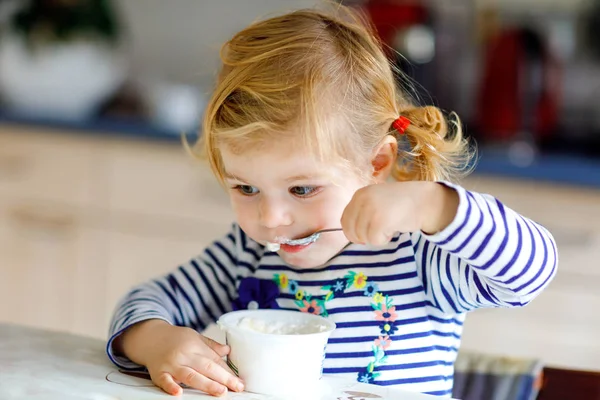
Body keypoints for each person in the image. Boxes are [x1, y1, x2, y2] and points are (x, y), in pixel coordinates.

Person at [106, 4, 557, 398]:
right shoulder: (248, 254)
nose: (272, 218)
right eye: (246, 188)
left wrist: (435, 207)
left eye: (302, 189)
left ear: (377, 163)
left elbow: (532, 272)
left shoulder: (419, 255)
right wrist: (154, 340)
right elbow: (148, 299)